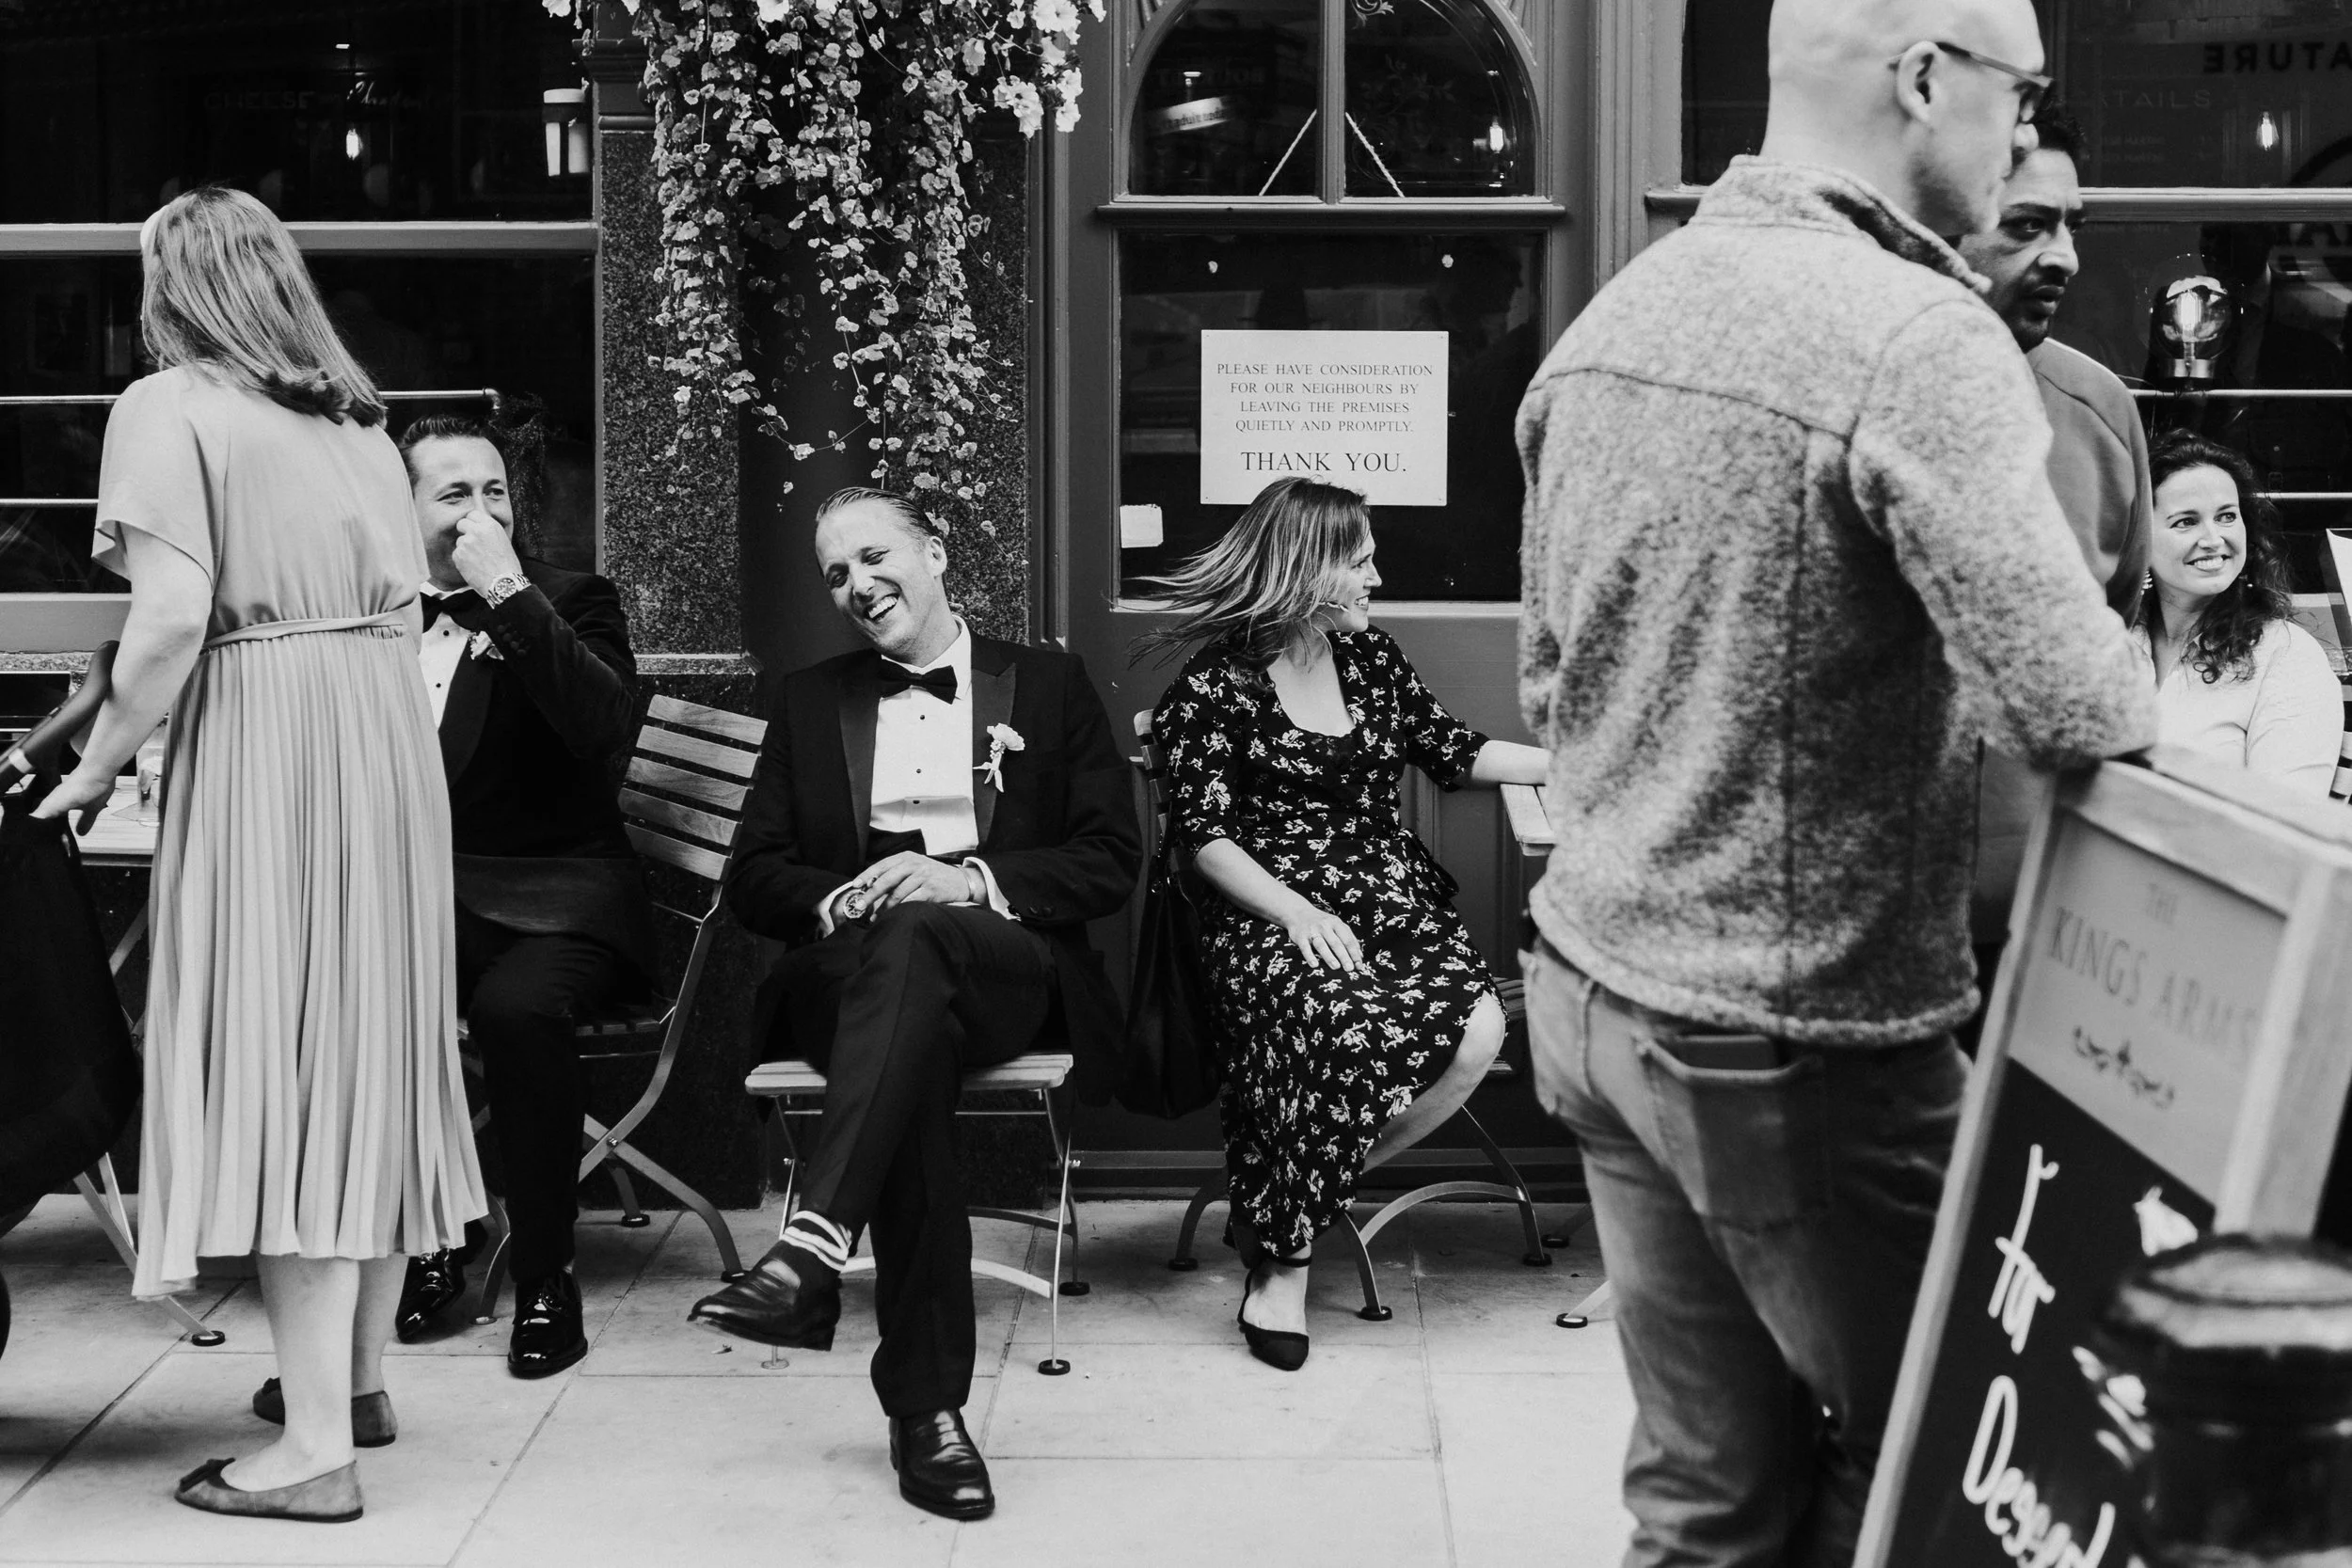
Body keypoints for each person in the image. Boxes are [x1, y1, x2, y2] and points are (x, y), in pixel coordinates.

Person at [1513, 1, 2156, 1561]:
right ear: (1928, 77)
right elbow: (2079, 701)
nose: (2023, 133)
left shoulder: (1617, 317)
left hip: (1597, 993)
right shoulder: (1917, 334)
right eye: (2023, 95)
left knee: (1703, 1491)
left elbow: (1549, 686)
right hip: (1793, 1039)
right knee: (1943, 1459)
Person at [31, 187, 485, 1523]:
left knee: (284, 1062)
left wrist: (99, 762)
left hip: (274, 741)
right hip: (379, 741)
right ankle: (350, 1381)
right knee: (360, 1049)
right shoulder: (356, 419)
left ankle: (314, 1455)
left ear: (172, 286)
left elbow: (169, 618)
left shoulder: (167, 405)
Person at [684, 487, 1140, 1522]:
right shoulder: (809, 700)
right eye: (836, 574)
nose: (856, 585)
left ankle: (813, 1250)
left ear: (934, 553)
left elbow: (1110, 858)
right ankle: (926, 1409)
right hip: (849, 974)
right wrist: (846, 894)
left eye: (874, 556)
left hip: (1003, 966)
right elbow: (757, 874)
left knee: (925, 935)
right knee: (908, 1024)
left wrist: (967, 878)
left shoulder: (1051, 683)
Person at [1144, 477, 1547, 1372]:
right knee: (1342, 1024)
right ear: (1308, 568)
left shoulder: (1371, 661)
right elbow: (1202, 836)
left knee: (1477, 1029)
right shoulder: (1214, 686)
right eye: (1360, 558)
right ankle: (1283, 1265)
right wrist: (1295, 911)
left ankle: (1280, 1204)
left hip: (1390, 899)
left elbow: (1454, 749)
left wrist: (1574, 762)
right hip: (1272, 913)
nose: (1376, 574)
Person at [386, 415, 653, 1375]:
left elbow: (605, 730)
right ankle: (430, 1241)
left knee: (516, 1007)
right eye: (453, 494)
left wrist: (507, 594)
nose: (480, 510)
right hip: (417, 903)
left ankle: (547, 1271)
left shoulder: (572, 599)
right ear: (400, 506)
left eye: (494, 490)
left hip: (561, 898)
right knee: (372, 993)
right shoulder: (373, 614)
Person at [1955, 99, 2156, 997]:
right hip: (1854, 947)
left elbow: (2112, 626)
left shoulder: (2100, 409)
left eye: (2073, 225)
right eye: (2028, 225)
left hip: (2052, 929)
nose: (2065, 256)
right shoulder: (1836, 395)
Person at [2133, 431, 2341, 796]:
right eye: (2186, 521)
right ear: (2139, 538)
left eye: (2227, 516)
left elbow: (2281, 823)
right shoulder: (2112, 639)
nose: (2213, 538)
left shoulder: (2286, 656)